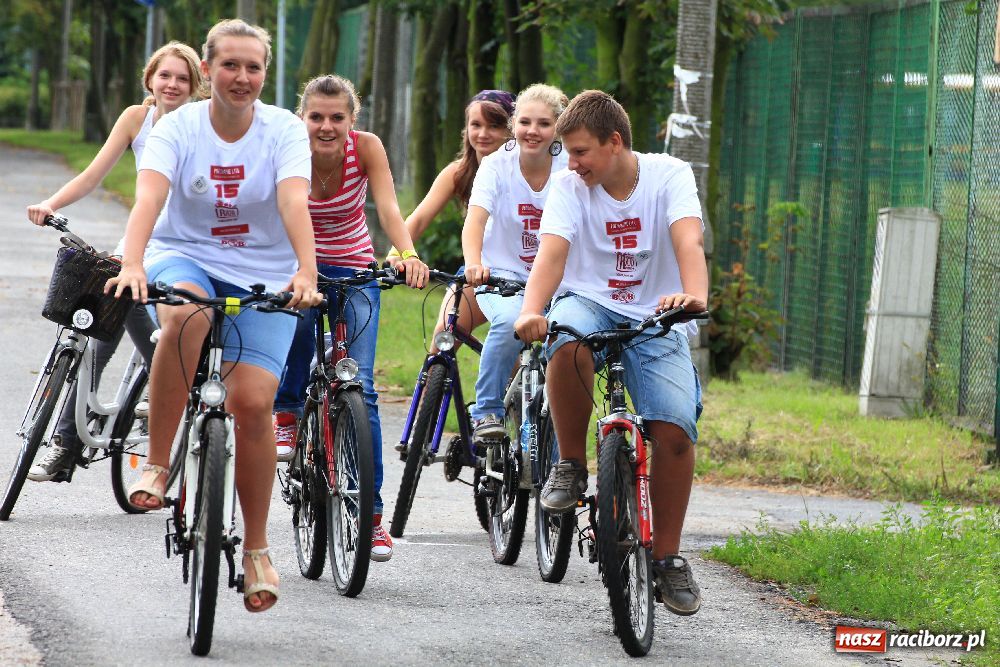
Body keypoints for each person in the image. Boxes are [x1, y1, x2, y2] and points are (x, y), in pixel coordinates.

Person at [105, 18, 321, 614]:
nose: (242, 77)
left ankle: (256, 549)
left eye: (254, 67)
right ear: (208, 70)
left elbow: (292, 200)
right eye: (230, 65)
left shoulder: (284, 130)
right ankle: (156, 463)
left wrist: (306, 271)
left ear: (266, 73)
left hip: (266, 270)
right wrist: (133, 262)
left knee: (252, 403)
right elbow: (150, 196)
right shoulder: (178, 127)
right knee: (184, 317)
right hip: (185, 254)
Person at [513, 90, 708, 616]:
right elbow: (552, 255)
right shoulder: (568, 187)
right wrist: (531, 310)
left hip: (656, 313)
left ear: (614, 142)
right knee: (567, 341)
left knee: (674, 429)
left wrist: (694, 295)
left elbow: (688, 241)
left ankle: (667, 558)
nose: (571, 164)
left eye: (580, 152)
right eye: (568, 153)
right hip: (589, 302)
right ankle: (572, 465)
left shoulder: (669, 176)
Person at [26, 41, 203, 482]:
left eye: (183, 78)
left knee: (147, 328)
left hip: (182, 247)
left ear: (196, 85)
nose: (173, 84)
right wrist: (51, 203)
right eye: (165, 75)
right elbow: (94, 174)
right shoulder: (136, 119)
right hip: (138, 242)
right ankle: (66, 443)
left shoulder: (203, 125)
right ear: (150, 79)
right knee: (98, 327)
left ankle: (164, 393)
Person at [272, 74, 428, 563]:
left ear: (352, 119)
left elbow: (388, 208)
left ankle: (371, 517)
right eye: (316, 116)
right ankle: (287, 412)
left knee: (362, 389)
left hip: (355, 267)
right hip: (299, 266)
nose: (326, 126)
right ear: (301, 117)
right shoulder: (288, 148)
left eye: (337, 117)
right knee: (299, 324)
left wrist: (406, 253)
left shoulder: (368, 148)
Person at [461, 84, 568, 442]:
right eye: (524, 122)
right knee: (509, 321)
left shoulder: (570, 167)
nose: (532, 131)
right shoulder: (496, 165)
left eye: (544, 124)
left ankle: (558, 459)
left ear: (558, 128)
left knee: (569, 347)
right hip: (504, 275)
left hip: (559, 281)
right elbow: (475, 221)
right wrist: (474, 263)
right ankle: (486, 411)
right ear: (513, 125)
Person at [387, 90, 515, 348]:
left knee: (509, 344)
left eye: (494, 126)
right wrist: (396, 254)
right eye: (476, 125)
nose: (483, 133)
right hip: (479, 269)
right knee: (444, 333)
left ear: (511, 130)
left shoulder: (523, 171)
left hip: (522, 270)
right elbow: (420, 217)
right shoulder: (459, 172)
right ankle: (435, 377)